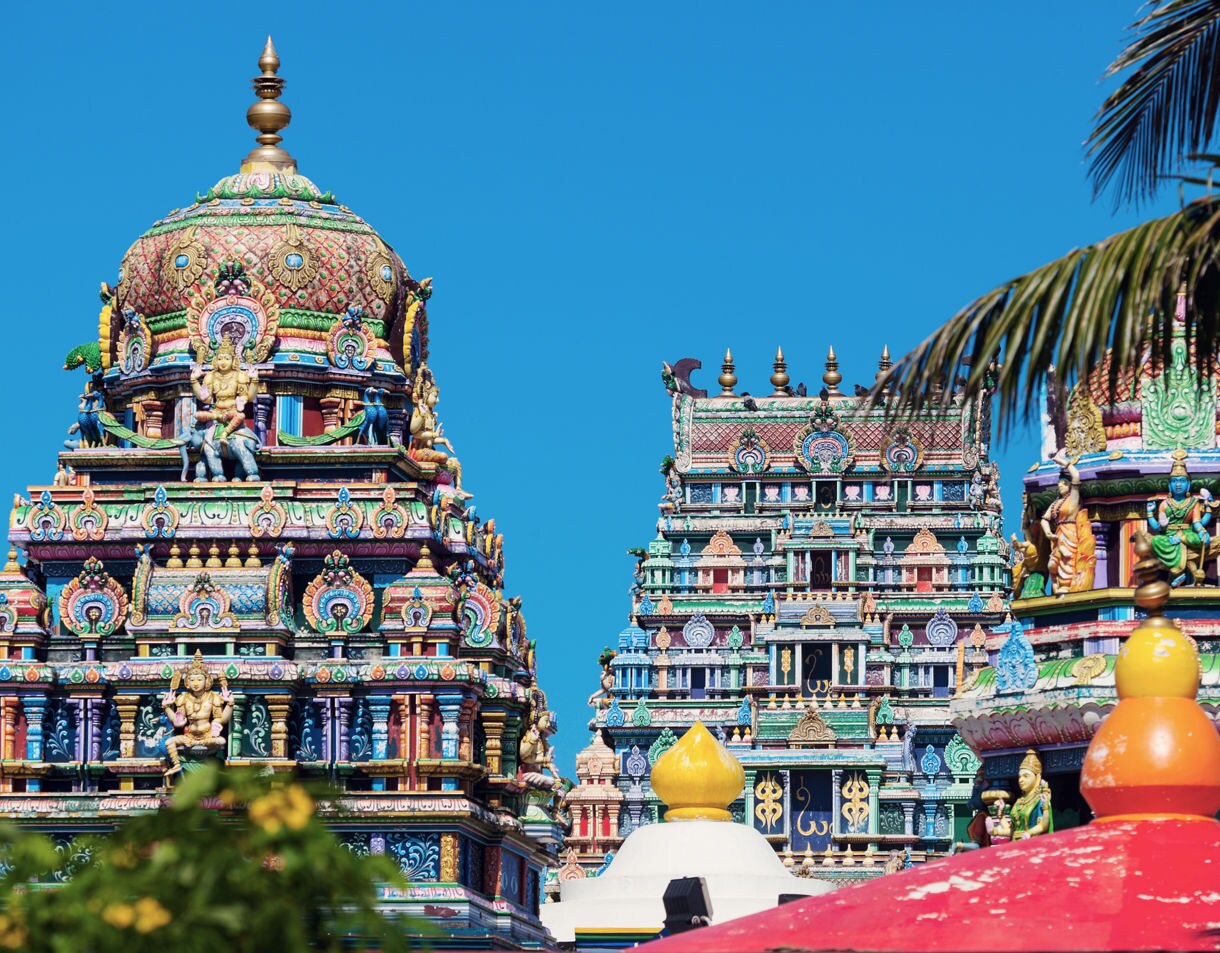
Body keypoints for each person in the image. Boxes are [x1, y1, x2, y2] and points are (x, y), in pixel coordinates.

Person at [1040, 450, 1096, 594]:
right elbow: (1045, 519)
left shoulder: (1073, 498)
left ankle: (1067, 586)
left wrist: (1063, 463)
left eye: (1064, 483)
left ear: (1069, 485)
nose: (1060, 486)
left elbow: (1076, 476)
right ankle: (1057, 585)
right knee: (1053, 564)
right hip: (1058, 534)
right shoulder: (1056, 503)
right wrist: (1048, 533)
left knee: (1068, 558)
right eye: (1059, 484)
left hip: (1070, 532)